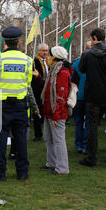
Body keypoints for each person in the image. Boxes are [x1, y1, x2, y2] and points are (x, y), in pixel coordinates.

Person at [0, 26, 33, 181]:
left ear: (5, 42)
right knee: (21, 140)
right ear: (19, 41)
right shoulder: (27, 60)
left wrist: (0, 91)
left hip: (0, 105)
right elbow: (28, 82)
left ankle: (0, 173)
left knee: (0, 140)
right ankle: (22, 173)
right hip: (20, 105)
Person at [79, 28, 106, 167]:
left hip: (93, 95)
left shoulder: (87, 54)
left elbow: (82, 69)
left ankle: (92, 157)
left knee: (92, 126)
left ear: (94, 38)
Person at [40, 46, 72, 175]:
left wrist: (56, 115)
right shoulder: (53, 71)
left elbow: (61, 96)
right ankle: (52, 163)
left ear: (54, 58)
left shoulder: (62, 73)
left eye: (49, 54)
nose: (47, 56)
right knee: (49, 138)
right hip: (49, 110)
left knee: (58, 139)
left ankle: (62, 167)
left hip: (56, 112)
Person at [71, 41, 92, 154]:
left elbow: (71, 80)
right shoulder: (94, 63)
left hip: (78, 96)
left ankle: (79, 144)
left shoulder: (76, 63)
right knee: (87, 122)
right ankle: (84, 145)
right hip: (88, 97)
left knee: (79, 121)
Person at [31, 43, 50, 142]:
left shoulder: (49, 61)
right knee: (37, 111)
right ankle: (38, 134)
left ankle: (46, 131)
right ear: (39, 51)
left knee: (45, 111)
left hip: (47, 89)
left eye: (46, 50)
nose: (45, 53)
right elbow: (34, 76)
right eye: (43, 50)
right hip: (37, 89)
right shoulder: (35, 61)